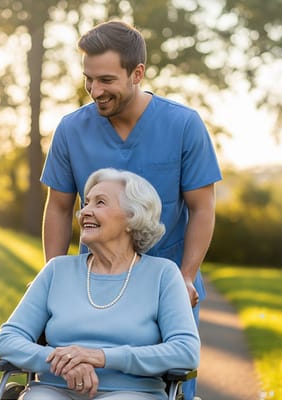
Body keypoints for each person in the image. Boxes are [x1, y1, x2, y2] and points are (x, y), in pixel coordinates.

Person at [40, 20, 221, 399]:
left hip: (166, 284)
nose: (95, 91)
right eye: (88, 79)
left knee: (169, 382)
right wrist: (52, 278)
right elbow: (58, 208)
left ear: (137, 73)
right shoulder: (71, 130)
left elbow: (202, 208)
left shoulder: (183, 125)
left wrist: (187, 276)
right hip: (94, 284)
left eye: (106, 80)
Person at [0, 168, 199, 400]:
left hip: (132, 393)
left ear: (133, 217)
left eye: (100, 203)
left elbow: (185, 351)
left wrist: (101, 357)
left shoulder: (163, 274)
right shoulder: (56, 270)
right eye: (86, 203)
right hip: (53, 389)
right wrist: (64, 363)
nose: (85, 212)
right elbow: (7, 339)